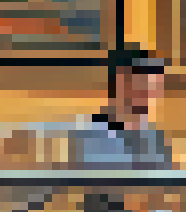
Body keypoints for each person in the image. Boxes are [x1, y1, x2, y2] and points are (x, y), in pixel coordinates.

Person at [70, 42, 173, 170]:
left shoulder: (155, 139)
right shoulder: (85, 135)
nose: (149, 95)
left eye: (154, 87)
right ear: (119, 81)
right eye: (141, 84)